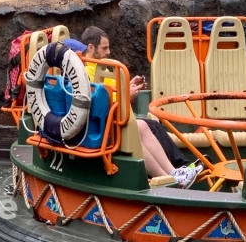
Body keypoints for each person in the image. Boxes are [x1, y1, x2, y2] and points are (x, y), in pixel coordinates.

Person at [80, 27, 201, 188]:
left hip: (116, 117)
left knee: (146, 125)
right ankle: (171, 176)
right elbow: (99, 103)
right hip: (104, 123)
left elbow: (113, 90)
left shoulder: (101, 67)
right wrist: (126, 97)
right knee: (141, 128)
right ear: (90, 47)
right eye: (104, 48)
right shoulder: (86, 72)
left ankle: (173, 173)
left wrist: (128, 87)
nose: (108, 52)